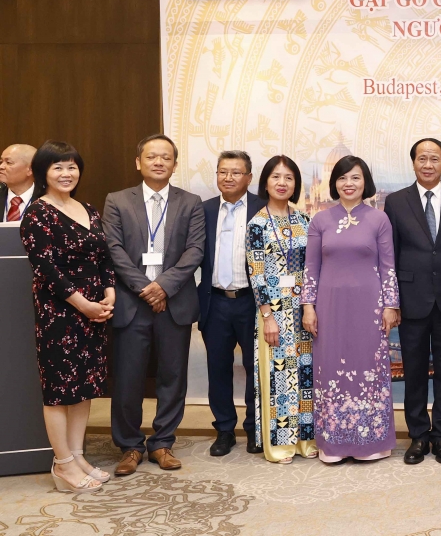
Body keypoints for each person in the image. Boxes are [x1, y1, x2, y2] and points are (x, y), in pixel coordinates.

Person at [103, 134, 205, 476]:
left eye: (166, 157)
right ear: (138, 162)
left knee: (172, 377)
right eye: (151, 156)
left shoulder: (191, 202)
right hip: (132, 303)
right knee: (128, 378)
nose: (158, 162)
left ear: (175, 164)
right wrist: (145, 288)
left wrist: (163, 286)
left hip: (174, 302)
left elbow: (195, 250)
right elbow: (113, 249)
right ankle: (130, 446)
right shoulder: (117, 200)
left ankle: (162, 443)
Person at [20, 141, 116, 493]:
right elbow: (46, 270)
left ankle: (77, 456)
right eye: (58, 167)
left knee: (84, 386)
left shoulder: (88, 208)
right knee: (59, 390)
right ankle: (62, 464)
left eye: (72, 166)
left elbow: (104, 258)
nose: (66, 173)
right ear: (43, 172)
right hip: (59, 313)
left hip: (94, 312)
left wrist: (109, 292)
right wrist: (83, 304)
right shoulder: (37, 213)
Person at [383, 138, 441, 465]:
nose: (428, 164)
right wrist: (392, 301)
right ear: (413, 163)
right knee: (413, 371)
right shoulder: (395, 202)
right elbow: (391, 256)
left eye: (434, 159)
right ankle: (418, 436)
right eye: (422, 158)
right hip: (411, 299)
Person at [301, 155, 399, 463]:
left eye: (355, 177)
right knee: (329, 367)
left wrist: (391, 305)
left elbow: (388, 267)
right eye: (342, 178)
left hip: (370, 307)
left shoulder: (379, 219)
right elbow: (311, 268)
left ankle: (372, 442)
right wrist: (308, 307)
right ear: (334, 183)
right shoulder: (320, 220)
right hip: (329, 307)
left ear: (365, 182)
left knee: (370, 367)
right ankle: (333, 443)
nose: (349, 183)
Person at [246, 155, 316, 463]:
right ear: (265, 183)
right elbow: (256, 273)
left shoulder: (304, 220)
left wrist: (311, 307)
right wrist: (267, 317)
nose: (282, 183)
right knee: (279, 379)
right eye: (276, 177)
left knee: (305, 377)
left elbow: (311, 267)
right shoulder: (257, 224)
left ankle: (306, 442)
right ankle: (281, 446)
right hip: (274, 312)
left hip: (303, 310)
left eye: (289, 177)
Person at [198, 151, 267, 457]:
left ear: (249, 177)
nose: (228, 177)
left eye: (236, 172)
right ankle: (224, 430)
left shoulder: (263, 208)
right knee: (218, 369)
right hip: (214, 302)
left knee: (255, 368)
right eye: (223, 172)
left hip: (252, 302)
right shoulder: (204, 210)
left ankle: (254, 429)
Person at [1, 143, 37, 221]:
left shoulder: (48, 200)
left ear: (30, 169)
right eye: (1, 162)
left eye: (8, 162)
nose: (1, 167)